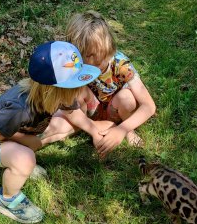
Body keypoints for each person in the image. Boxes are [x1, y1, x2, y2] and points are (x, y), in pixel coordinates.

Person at [0, 41, 101, 224]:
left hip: (12, 133)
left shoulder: (55, 95)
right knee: (25, 159)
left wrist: (94, 131)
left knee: (58, 130)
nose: (80, 90)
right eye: (74, 86)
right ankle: (7, 199)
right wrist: (26, 141)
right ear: (52, 90)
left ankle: (20, 159)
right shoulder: (20, 109)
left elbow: (73, 113)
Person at [66, 10, 156, 158]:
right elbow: (67, 100)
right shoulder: (74, 65)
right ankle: (88, 128)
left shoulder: (121, 65)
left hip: (115, 109)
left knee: (126, 98)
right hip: (92, 110)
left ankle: (128, 130)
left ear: (109, 49)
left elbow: (149, 106)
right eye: (88, 64)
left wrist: (122, 129)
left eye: (100, 61)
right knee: (76, 91)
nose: (95, 67)